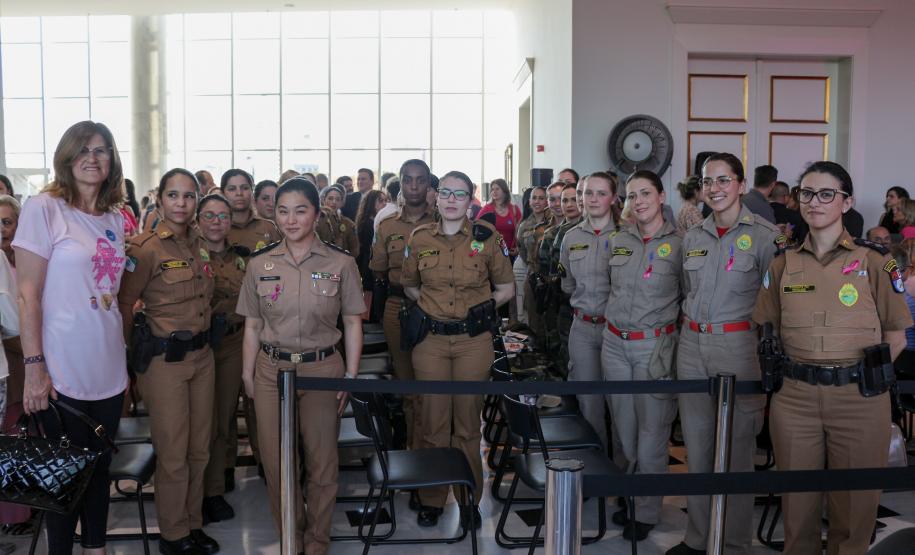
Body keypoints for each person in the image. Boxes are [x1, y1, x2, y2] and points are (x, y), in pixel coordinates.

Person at [753, 161, 912, 555]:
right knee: (798, 512)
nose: (815, 202)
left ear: (847, 202)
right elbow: (766, 329)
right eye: (806, 193)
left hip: (859, 400)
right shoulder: (782, 263)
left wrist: (857, 377)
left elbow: (896, 338)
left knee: (854, 516)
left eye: (827, 194)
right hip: (795, 400)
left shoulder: (876, 261)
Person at [15, 121, 129, 555]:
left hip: (107, 365)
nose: (92, 157)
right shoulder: (44, 208)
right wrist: (34, 367)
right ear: (67, 156)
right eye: (83, 149)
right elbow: (28, 296)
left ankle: (96, 548)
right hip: (59, 365)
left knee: (99, 468)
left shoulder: (117, 218)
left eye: (101, 149)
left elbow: (111, 295)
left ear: (112, 160)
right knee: (62, 474)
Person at [236, 176, 363, 555]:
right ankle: (291, 534)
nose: (291, 220)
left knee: (322, 463)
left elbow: (353, 322)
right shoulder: (260, 264)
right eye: (283, 211)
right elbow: (253, 325)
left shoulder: (341, 263)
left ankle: (317, 540)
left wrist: (352, 377)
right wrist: (247, 373)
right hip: (271, 371)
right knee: (277, 465)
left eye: (300, 210)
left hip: (322, 370)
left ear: (316, 213)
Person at [668, 152, 781, 555]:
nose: (714, 189)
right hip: (692, 344)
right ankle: (698, 537)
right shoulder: (694, 237)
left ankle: (732, 544)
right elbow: (686, 289)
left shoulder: (767, 237)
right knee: (696, 448)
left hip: (739, 347)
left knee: (735, 452)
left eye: (722, 180)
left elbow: (776, 307)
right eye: (707, 181)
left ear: (741, 184)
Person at [402, 170, 514, 529]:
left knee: (467, 425)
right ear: (436, 196)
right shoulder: (419, 238)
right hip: (431, 342)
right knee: (433, 424)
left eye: (460, 194)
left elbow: (507, 287)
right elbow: (409, 286)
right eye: (446, 193)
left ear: (471, 199)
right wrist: (434, 310)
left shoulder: (487, 237)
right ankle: (433, 499)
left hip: (473, 342)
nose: (451, 200)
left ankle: (468, 501)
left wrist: (482, 310)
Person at [119, 168, 218, 555]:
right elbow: (125, 306)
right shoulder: (145, 249)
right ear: (160, 199)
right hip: (164, 363)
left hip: (203, 357)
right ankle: (173, 535)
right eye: (174, 195)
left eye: (189, 196)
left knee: (199, 449)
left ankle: (192, 524)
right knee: (174, 453)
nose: (182, 203)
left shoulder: (199, 243)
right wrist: (128, 361)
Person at [598, 170, 681, 542]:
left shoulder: (681, 243)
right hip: (614, 344)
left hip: (654, 347)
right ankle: (628, 490)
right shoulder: (619, 239)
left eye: (645, 193)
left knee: (652, 432)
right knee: (624, 429)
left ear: (661, 196)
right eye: (632, 196)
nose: (638, 201)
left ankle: (645, 509)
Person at [371, 160, 437, 453]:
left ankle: (428, 450)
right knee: (407, 384)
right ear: (400, 183)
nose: (413, 186)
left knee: (430, 388)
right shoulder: (386, 226)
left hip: (435, 309)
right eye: (407, 180)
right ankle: (412, 448)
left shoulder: (442, 222)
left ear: (428, 185)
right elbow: (378, 270)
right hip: (397, 307)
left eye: (420, 180)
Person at [195, 194, 248, 525]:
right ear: (199, 219)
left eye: (223, 216)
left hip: (231, 344)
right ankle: (191, 494)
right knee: (197, 424)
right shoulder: (187, 254)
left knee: (221, 422)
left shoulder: (240, 259)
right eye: (209, 215)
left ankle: (212, 492)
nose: (216, 222)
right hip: (197, 346)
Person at [559, 172, 618, 450]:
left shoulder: (626, 237)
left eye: (601, 193)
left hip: (617, 330)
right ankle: (595, 471)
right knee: (588, 403)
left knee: (621, 405)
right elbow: (568, 284)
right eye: (588, 193)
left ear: (613, 198)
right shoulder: (570, 237)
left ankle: (623, 478)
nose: (593, 199)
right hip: (582, 328)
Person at [516, 185, 553, 342]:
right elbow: (523, 252)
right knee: (533, 319)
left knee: (551, 321)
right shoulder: (524, 226)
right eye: (534, 198)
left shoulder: (553, 221)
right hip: (533, 276)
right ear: (529, 201)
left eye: (541, 198)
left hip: (552, 277)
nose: (537, 201)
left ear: (547, 201)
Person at [477, 178, 522, 259]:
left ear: (504, 191)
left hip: (509, 254)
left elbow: (521, 231)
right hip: (490, 253)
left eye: (497, 189)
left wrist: (518, 248)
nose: (494, 191)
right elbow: (476, 227)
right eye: (492, 189)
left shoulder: (514, 209)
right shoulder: (486, 209)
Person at [355, 189, 386, 293]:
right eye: (381, 201)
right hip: (368, 265)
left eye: (386, 200)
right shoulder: (367, 223)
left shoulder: (377, 221)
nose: (385, 204)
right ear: (372, 203)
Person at [317, 184, 360, 256]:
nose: (334, 202)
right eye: (330, 198)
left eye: (337, 199)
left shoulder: (348, 223)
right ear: (323, 200)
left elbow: (355, 251)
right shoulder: (315, 220)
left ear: (342, 203)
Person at [770, 180, 807, 245]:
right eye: (790, 196)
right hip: (786, 253)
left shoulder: (761, 211)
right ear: (785, 197)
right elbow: (803, 242)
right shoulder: (796, 216)